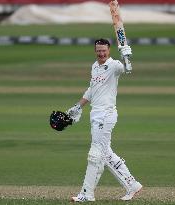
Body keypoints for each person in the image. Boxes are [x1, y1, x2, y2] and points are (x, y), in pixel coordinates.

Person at [66, 38, 142, 202]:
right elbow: (92, 90)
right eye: (98, 50)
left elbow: (127, 69)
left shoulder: (114, 65)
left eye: (104, 50)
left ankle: (86, 194)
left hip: (106, 115)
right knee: (106, 154)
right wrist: (78, 106)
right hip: (96, 114)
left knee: (95, 155)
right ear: (95, 51)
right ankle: (132, 185)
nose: (101, 53)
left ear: (109, 50)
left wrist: (126, 56)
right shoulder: (95, 66)